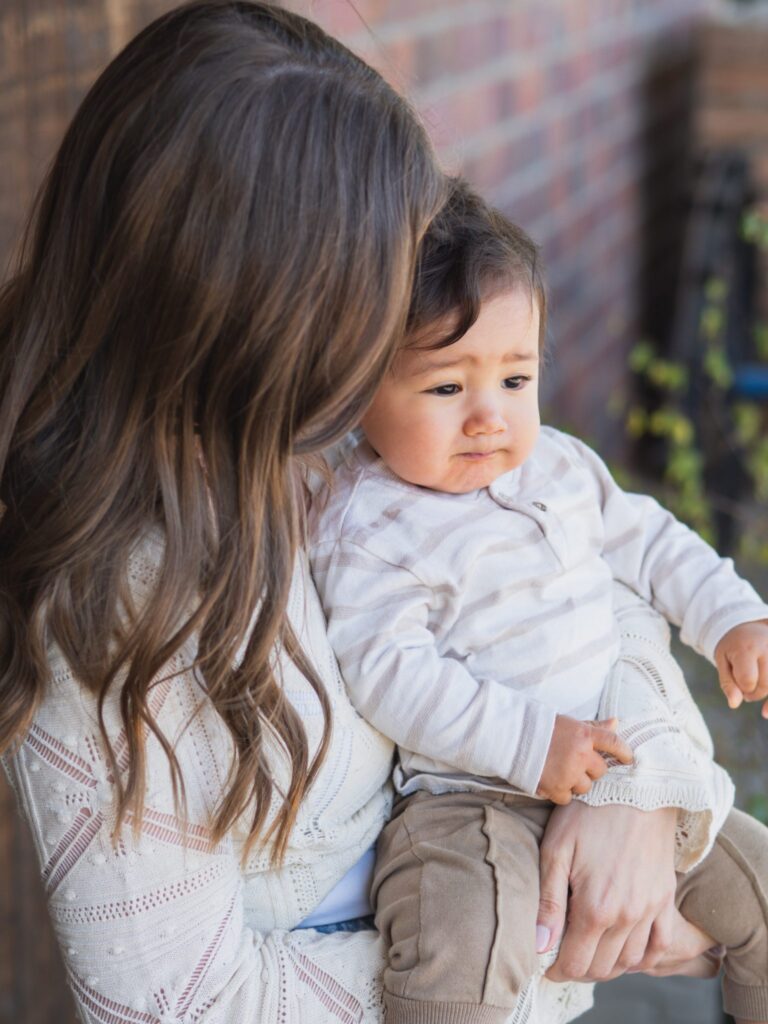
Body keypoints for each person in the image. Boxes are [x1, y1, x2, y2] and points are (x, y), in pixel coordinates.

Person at [0, 4, 734, 1023]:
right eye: (367, 291)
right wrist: (555, 950)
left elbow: (585, 573)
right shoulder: (115, 606)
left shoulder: (344, 433)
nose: (399, 324)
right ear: (258, 314)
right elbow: (184, 1005)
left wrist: (639, 787)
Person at [309, 179, 768, 1024]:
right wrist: (530, 745)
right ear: (358, 389)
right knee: (460, 960)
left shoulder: (557, 464)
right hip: (471, 800)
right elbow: (388, 669)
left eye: (516, 378)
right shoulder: (366, 519)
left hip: (626, 772)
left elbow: (651, 540)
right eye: (447, 389)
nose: (489, 418)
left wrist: (733, 616)